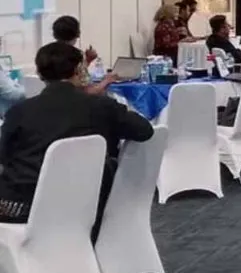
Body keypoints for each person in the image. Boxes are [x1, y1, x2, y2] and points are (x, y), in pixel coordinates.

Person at [0, 42, 154, 240]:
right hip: (86, 203)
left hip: (22, 206)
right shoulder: (102, 107)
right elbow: (144, 130)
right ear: (78, 70)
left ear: (39, 73)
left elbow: (4, 156)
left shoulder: (19, 112)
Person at [51, 14, 115, 95]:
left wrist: (88, 60)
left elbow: (72, 73)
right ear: (77, 33)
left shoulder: (46, 54)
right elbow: (86, 91)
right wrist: (107, 80)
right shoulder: (76, 55)